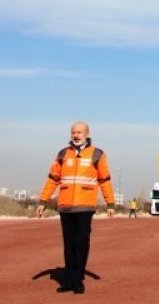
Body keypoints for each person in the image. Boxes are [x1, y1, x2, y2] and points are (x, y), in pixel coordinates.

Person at [36, 121, 114, 295]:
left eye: (79, 132)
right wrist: (43, 201)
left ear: (87, 134)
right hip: (65, 206)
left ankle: (78, 280)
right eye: (73, 132)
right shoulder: (63, 154)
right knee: (69, 244)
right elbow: (52, 179)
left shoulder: (97, 154)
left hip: (85, 206)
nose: (76, 135)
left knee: (81, 242)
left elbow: (104, 180)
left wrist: (110, 203)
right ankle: (68, 280)